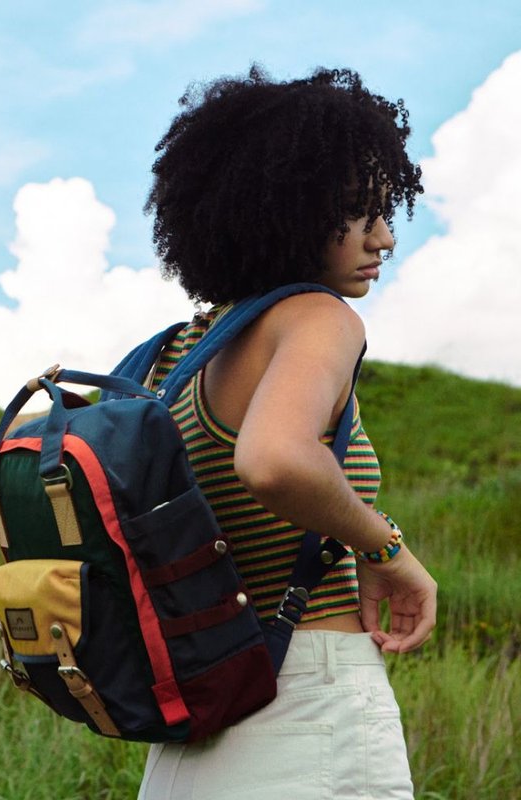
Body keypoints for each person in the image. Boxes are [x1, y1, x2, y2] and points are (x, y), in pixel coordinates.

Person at [137, 66, 438, 800]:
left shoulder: (169, 360)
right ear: (296, 211)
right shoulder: (316, 319)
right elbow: (274, 460)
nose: (385, 238)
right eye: (360, 213)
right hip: (309, 707)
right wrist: (389, 552)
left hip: (194, 735)